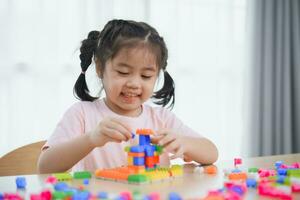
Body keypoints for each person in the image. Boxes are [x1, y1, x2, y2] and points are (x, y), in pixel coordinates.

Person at [38, 19, 218, 173]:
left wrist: (185, 143)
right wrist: (91, 139)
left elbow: (212, 153)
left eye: (146, 76)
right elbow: (44, 166)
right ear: (100, 68)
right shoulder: (82, 114)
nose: (134, 83)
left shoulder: (161, 118)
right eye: (123, 72)